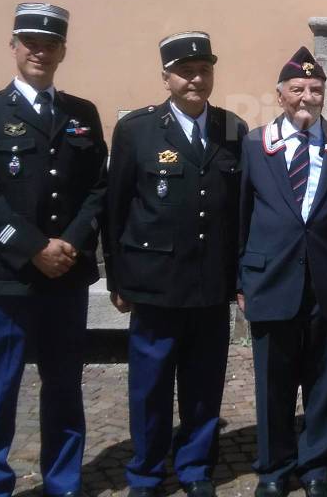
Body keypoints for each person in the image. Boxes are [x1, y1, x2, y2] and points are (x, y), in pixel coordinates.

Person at [0, 2, 107, 497]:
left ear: (63, 50)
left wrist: (72, 244)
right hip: (9, 277)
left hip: (66, 275)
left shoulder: (81, 114)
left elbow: (96, 190)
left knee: (64, 386)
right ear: (14, 45)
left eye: (51, 44)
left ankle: (63, 482)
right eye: (31, 43)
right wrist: (34, 247)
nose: (40, 52)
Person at [105, 32, 247, 497]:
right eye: (185, 71)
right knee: (150, 385)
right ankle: (145, 472)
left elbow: (240, 211)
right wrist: (118, 276)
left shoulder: (232, 128)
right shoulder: (137, 130)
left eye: (204, 69)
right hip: (154, 282)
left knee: (204, 384)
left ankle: (194, 468)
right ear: (165, 76)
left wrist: (239, 277)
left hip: (210, 282)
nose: (195, 79)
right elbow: (116, 207)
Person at [238, 47, 327, 497]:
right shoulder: (256, 145)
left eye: (315, 89)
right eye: (297, 89)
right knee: (273, 382)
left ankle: (316, 466)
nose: (306, 97)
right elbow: (240, 215)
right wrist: (240, 278)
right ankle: (274, 468)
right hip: (271, 279)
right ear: (280, 96)